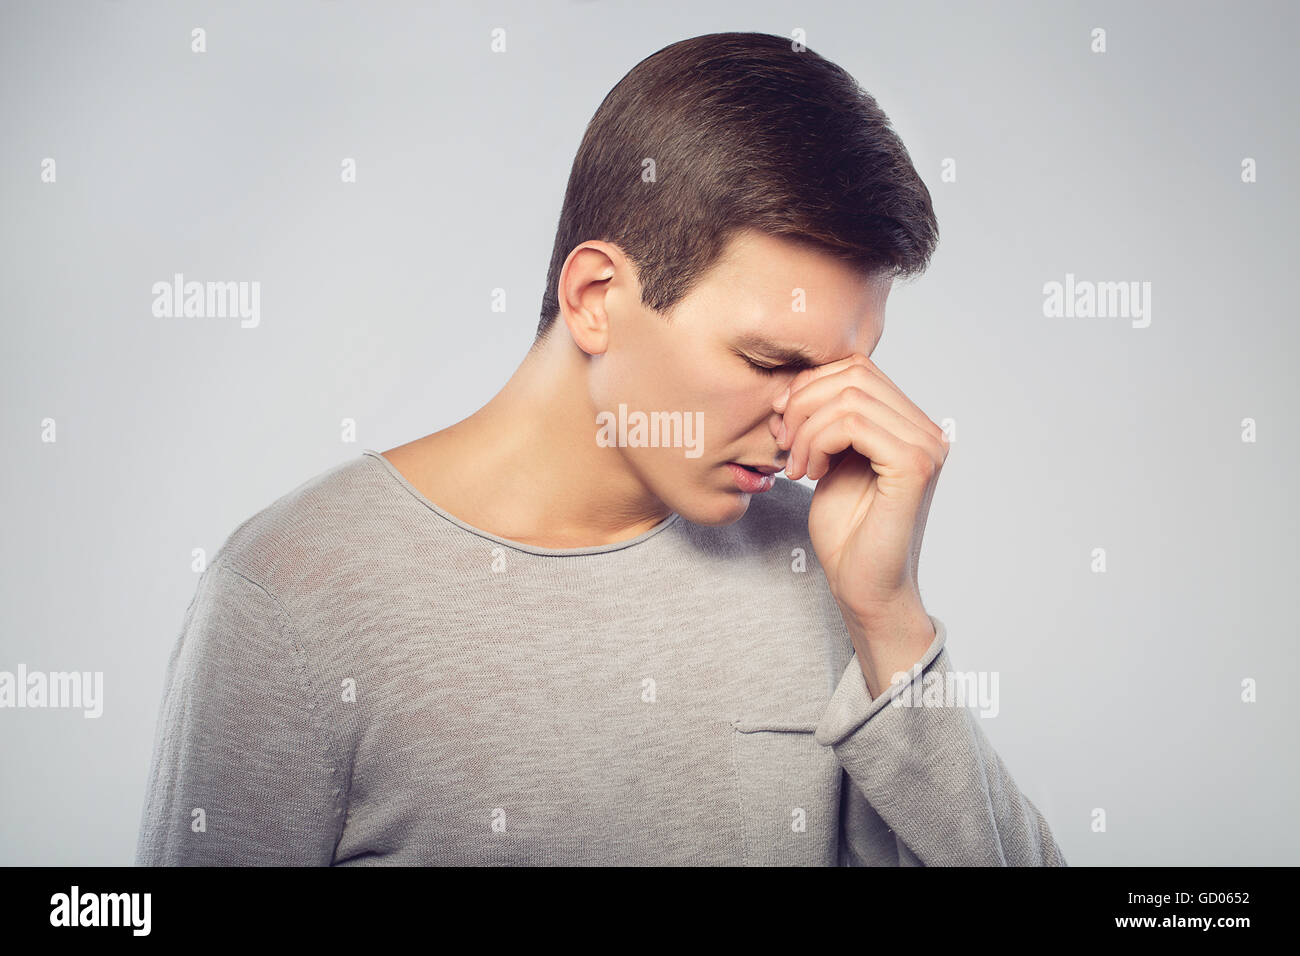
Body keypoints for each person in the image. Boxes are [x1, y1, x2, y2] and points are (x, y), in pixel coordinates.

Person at [135, 31, 1066, 866]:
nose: (811, 426)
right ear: (594, 298)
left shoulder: (833, 565)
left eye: (846, 373)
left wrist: (890, 623)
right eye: (769, 360)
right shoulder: (292, 597)